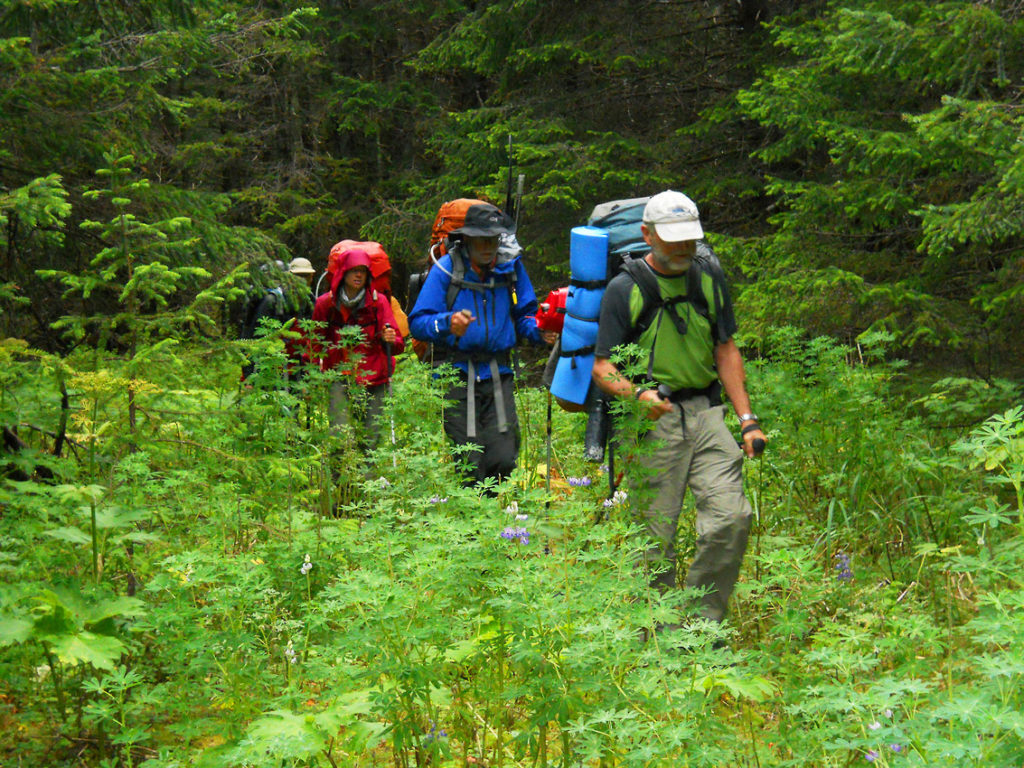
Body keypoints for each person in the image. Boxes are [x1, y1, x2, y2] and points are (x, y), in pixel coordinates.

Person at [591, 190, 767, 626]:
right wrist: (637, 396)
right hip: (653, 422)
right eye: (673, 240)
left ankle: (703, 627)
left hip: (708, 414)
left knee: (732, 518)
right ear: (647, 235)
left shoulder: (708, 278)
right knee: (653, 539)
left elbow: (725, 348)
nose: (684, 248)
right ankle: (659, 637)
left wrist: (747, 420)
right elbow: (601, 367)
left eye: (689, 239)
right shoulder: (624, 288)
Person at [409, 202, 555, 485]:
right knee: (469, 462)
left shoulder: (510, 269)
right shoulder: (448, 269)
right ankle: (473, 524)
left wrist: (540, 331)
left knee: (503, 458)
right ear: (467, 239)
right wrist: (448, 323)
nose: (488, 246)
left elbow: (525, 314)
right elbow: (418, 322)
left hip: (498, 374)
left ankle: (488, 512)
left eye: (493, 238)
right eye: (481, 239)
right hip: (456, 375)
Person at [311, 248, 403, 448]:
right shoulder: (325, 304)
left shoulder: (379, 303)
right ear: (343, 272)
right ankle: (339, 479)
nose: (359, 275)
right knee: (339, 434)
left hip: (374, 378)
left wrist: (390, 338)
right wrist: (310, 376)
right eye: (354, 270)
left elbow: (397, 344)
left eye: (363, 270)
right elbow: (314, 343)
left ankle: (366, 478)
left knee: (371, 437)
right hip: (338, 376)